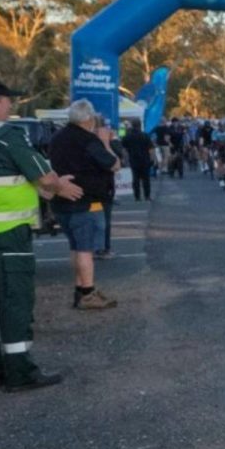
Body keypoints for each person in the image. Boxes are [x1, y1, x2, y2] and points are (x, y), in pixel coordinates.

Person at [0, 78, 84, 392]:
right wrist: (61, 186)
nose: (10, 106)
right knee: (14, 299)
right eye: (6, 101)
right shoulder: (4, 134)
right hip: (5, 231)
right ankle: (20, 370)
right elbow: (42, 175)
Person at [48, 100, 121, 310]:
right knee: (86, 249)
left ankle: (80, 290)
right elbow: (114, 164)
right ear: (89, 119)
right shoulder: (89, 140)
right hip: (87, 200)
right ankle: (88, 292)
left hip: (63, 200)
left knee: (77, 246)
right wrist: (105, 141)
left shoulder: (57, 138)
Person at [95, 117, 126, 260]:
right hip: (102, 188)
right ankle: (103, 248)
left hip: (94, 188)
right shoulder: (101, 143)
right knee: (104, 219)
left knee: (94, 219)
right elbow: (117, 161)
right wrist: (109, 142)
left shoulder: (83, 142)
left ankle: (97, 248)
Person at [121, 119, 155, 202]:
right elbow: (151, 149)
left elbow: (123, 149)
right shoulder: (145, 135)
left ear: (132, 125)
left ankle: (137, 196)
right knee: (146, 179)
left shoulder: (127, 136)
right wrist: (152, 159)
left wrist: (124, 159)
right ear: (140, 125)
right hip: (145, 160)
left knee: (135, 179)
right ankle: (147, 196)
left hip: (133, 160)